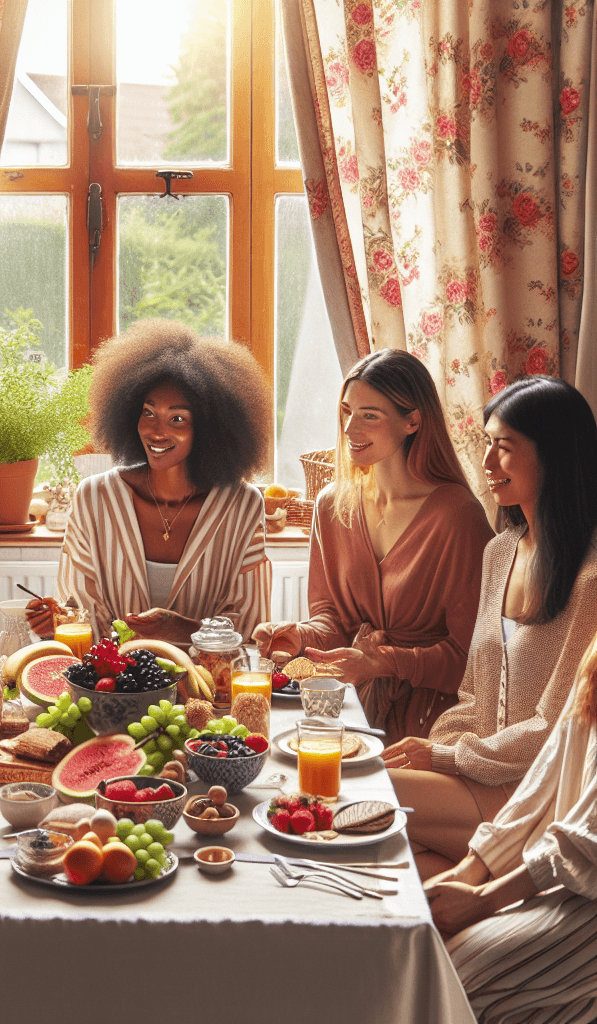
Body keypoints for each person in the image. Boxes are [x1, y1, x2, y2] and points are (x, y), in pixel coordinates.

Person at [384, 376, 597, 877]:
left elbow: (554, 731)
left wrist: (446, 756)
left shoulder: (590, 581)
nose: (485, 464)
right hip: (477, 779)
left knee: (365, 792)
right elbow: (472, 695)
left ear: (556, 456)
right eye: (486, 444)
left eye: (503, 448)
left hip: (533, 795)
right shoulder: (500, 551)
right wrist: (440, 750)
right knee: (399, 859)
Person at [254, 349, 494, 742]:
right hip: (350, 707)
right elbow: (333, 621)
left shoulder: (458, 516)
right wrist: (301, 637)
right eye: (347, 411)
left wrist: (384, 662)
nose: (349, 429)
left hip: (434, 726)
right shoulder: (332, 505)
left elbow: (474, 659)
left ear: (412, 421)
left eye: (369, 415)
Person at [29, 319, 272, 646]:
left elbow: (252, 627)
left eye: (177, 419)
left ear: (210, 428)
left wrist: (181, 630)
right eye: (148, 413)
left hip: (208, 689)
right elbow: (80, 614)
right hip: (113, 683)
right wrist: (55, 622)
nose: (157, 431)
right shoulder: (94, 497)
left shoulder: (243, 505)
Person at [425, 633, 597, 1023]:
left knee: (449, 976)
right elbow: (549, 771)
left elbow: (588, 840)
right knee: (423, 946)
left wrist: (485, 898)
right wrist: (473, 866)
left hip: (588, 900)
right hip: (564, 875)